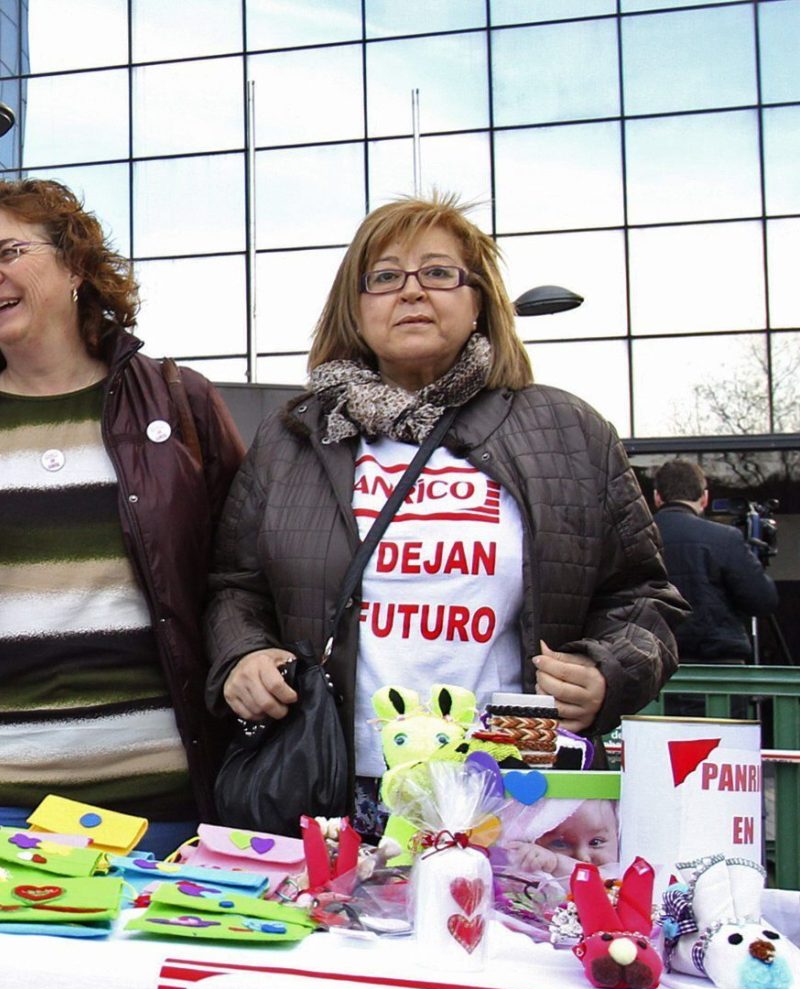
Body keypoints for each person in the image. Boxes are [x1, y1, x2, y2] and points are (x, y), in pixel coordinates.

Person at [206, 194, 685, 834]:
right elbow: (234, 587)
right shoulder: (292, 439)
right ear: (355, 305)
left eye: (438, 273)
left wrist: (608, 672)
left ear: (479, 299)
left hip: (508, 790)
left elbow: (645, 595)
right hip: (331, 785)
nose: (412, 293)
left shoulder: (567, 431)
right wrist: (244, 656)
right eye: (384, 277)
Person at [0, 179, 246, 851]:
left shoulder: (180, 406)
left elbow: (240, 574)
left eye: (9, 252)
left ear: (76, 267)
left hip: (159, 803)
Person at [652, 459, 778, 663]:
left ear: (657, 497)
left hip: (652, 666)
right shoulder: (726, 538)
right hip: (719, 667)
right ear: (705, 498)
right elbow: (762, 601)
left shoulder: (634, 538)